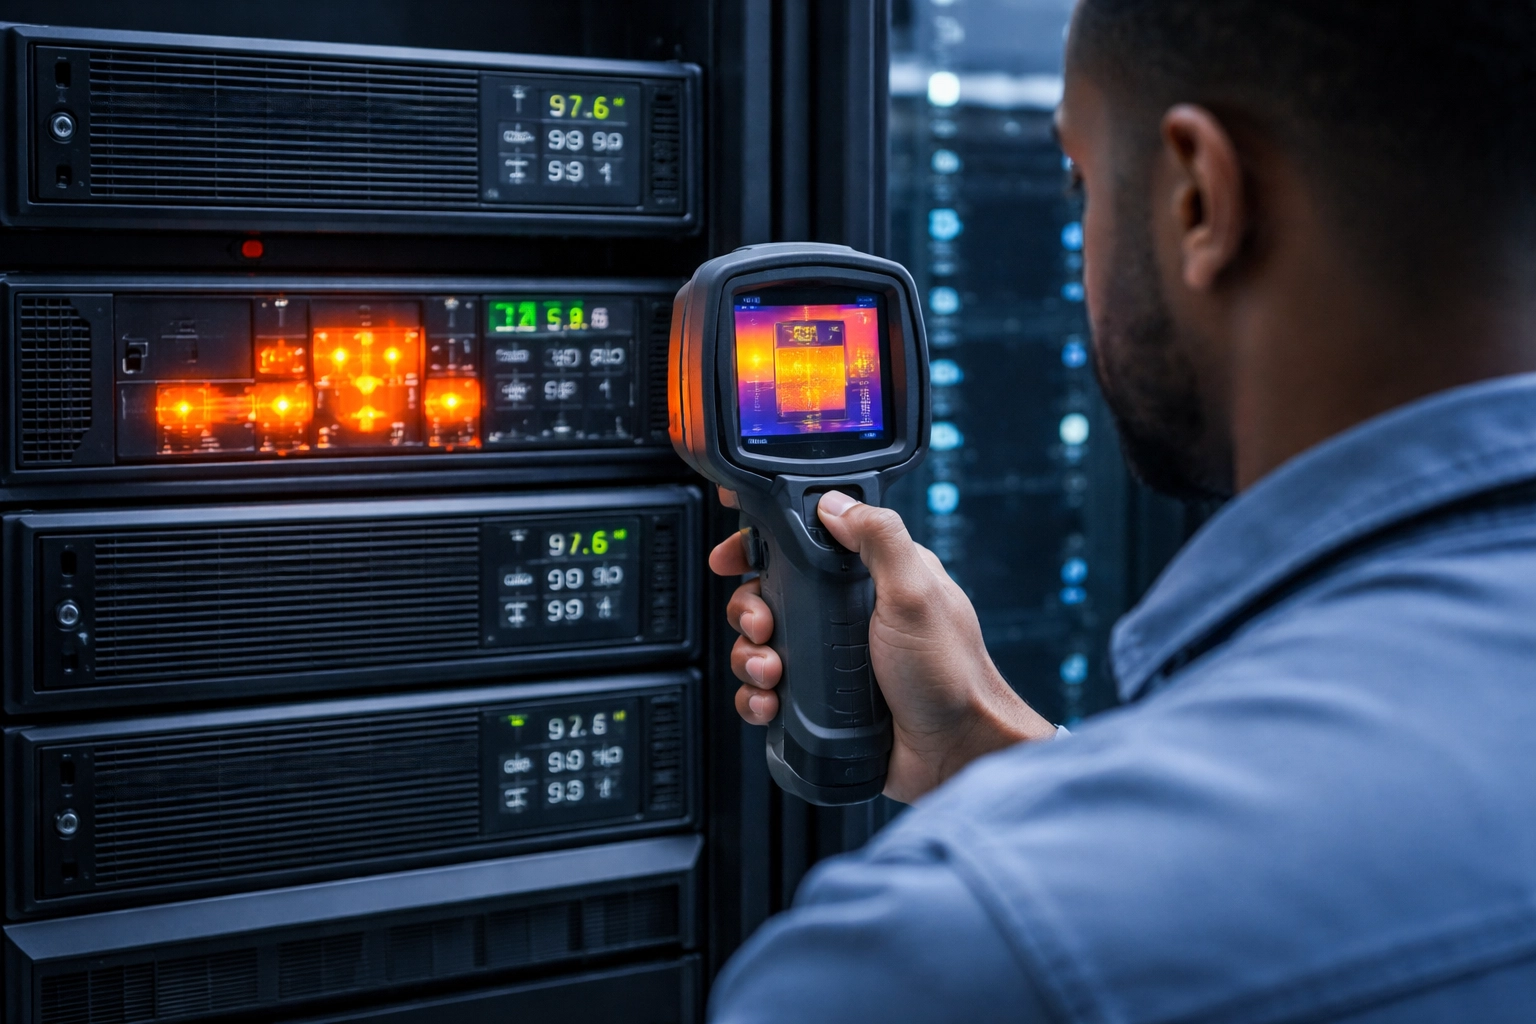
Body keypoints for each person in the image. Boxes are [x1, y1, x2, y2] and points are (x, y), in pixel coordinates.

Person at [707, 0, 1536, 1020]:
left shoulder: (938, 955)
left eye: (1080, 181)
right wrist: (987, 749)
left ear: (1199, 198)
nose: (1080, 230)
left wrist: (1010, 856)